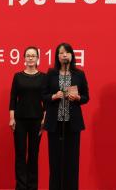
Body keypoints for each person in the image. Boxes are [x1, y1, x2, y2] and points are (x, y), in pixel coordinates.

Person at [42, 42, 89, 190]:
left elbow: (86, 97)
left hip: (72, 123)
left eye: (67, 52)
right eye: (61, 53)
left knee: (72, 161)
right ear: (57, 56)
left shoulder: (79, 74)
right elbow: (43, 95)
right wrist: (54, 96)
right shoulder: (51, 74)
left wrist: (78, 98)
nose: (64, 55)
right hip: (55, 123)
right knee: (55, 160)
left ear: (72, 55)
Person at [9, 46, 47, 190]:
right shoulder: (18, 76)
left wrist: (44, 119)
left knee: (33, 154)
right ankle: (20, 186)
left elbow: (46, 101)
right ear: (24, 58)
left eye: (33, 56)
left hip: (37, 120)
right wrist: (11, 118)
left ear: (37, 58)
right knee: (20, 153)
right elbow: (13, 98)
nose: (30, 58)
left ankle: (32, 186)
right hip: (20, 120)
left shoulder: (43, 77)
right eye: (28, 55)